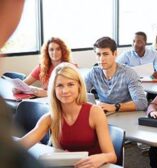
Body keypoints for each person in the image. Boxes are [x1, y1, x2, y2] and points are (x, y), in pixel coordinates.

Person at [18, 63, 117, 167]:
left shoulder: (95, 112)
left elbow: (112, 156)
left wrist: (101, 158)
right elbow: (21, 145)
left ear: (79, 86)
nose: (65, 91)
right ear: (54, 90)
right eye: (60, 85)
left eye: (70, 84)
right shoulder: (50, 118)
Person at [0, 1, 44, 167]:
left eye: (56, 49)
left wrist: (43, 92)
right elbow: (25, 83)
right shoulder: (42, 67)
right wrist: (19, 86)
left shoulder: (66, 68)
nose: (53, 52)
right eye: (50, 49)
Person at [85, 37, 148, 113]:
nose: (101, 59)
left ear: (115, 54)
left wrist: (115, 107)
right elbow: (79, 93)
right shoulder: (93, 72)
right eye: (98, 54)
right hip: (103, 114)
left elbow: (142, 103)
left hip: (125, 115)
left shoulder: (128, 73)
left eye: (105, 54)